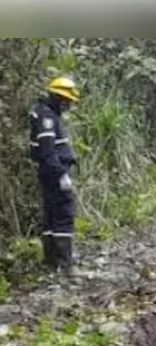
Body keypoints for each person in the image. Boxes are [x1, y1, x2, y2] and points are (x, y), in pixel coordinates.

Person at [28, 76, 80, 274]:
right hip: (54, 172)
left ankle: (51, 261)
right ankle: (64, 263)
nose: (68, 106)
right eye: (67, 102)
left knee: (51, 217)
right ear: (58, 98)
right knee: (63, 214)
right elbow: (48, 152)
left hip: (49, 172)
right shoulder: (47, 117)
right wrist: (61, 175)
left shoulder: (44, 112)